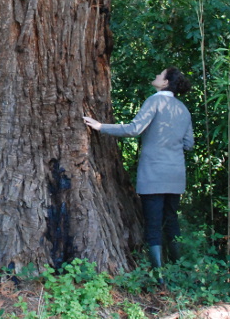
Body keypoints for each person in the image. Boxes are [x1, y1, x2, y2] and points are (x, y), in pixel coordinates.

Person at [83, 67, 194, 285]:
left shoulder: (155, 101)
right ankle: (180, 272)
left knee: (153, 224)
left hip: (154, 172)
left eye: (159, 74)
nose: (155, 76)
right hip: (176, 174)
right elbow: (189, 144)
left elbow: (135, 129)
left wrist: (100, 126)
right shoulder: (183, 109)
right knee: (171, 221)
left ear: (165, 83)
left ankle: (159, 277)